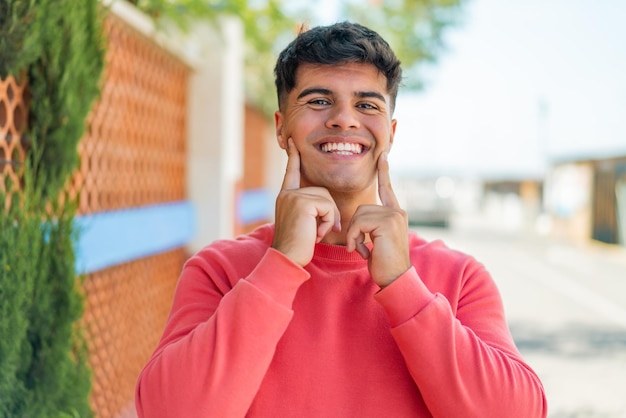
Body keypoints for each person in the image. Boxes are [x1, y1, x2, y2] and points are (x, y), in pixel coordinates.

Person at [135, 21, 547, 417]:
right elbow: (168, 411)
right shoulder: (219, 270)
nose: (344, 119)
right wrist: (278, 267)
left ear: (391, 130)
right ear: (281, 129)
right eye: (318, 101)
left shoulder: (459, 278)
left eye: (367, 104)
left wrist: (404, 286)